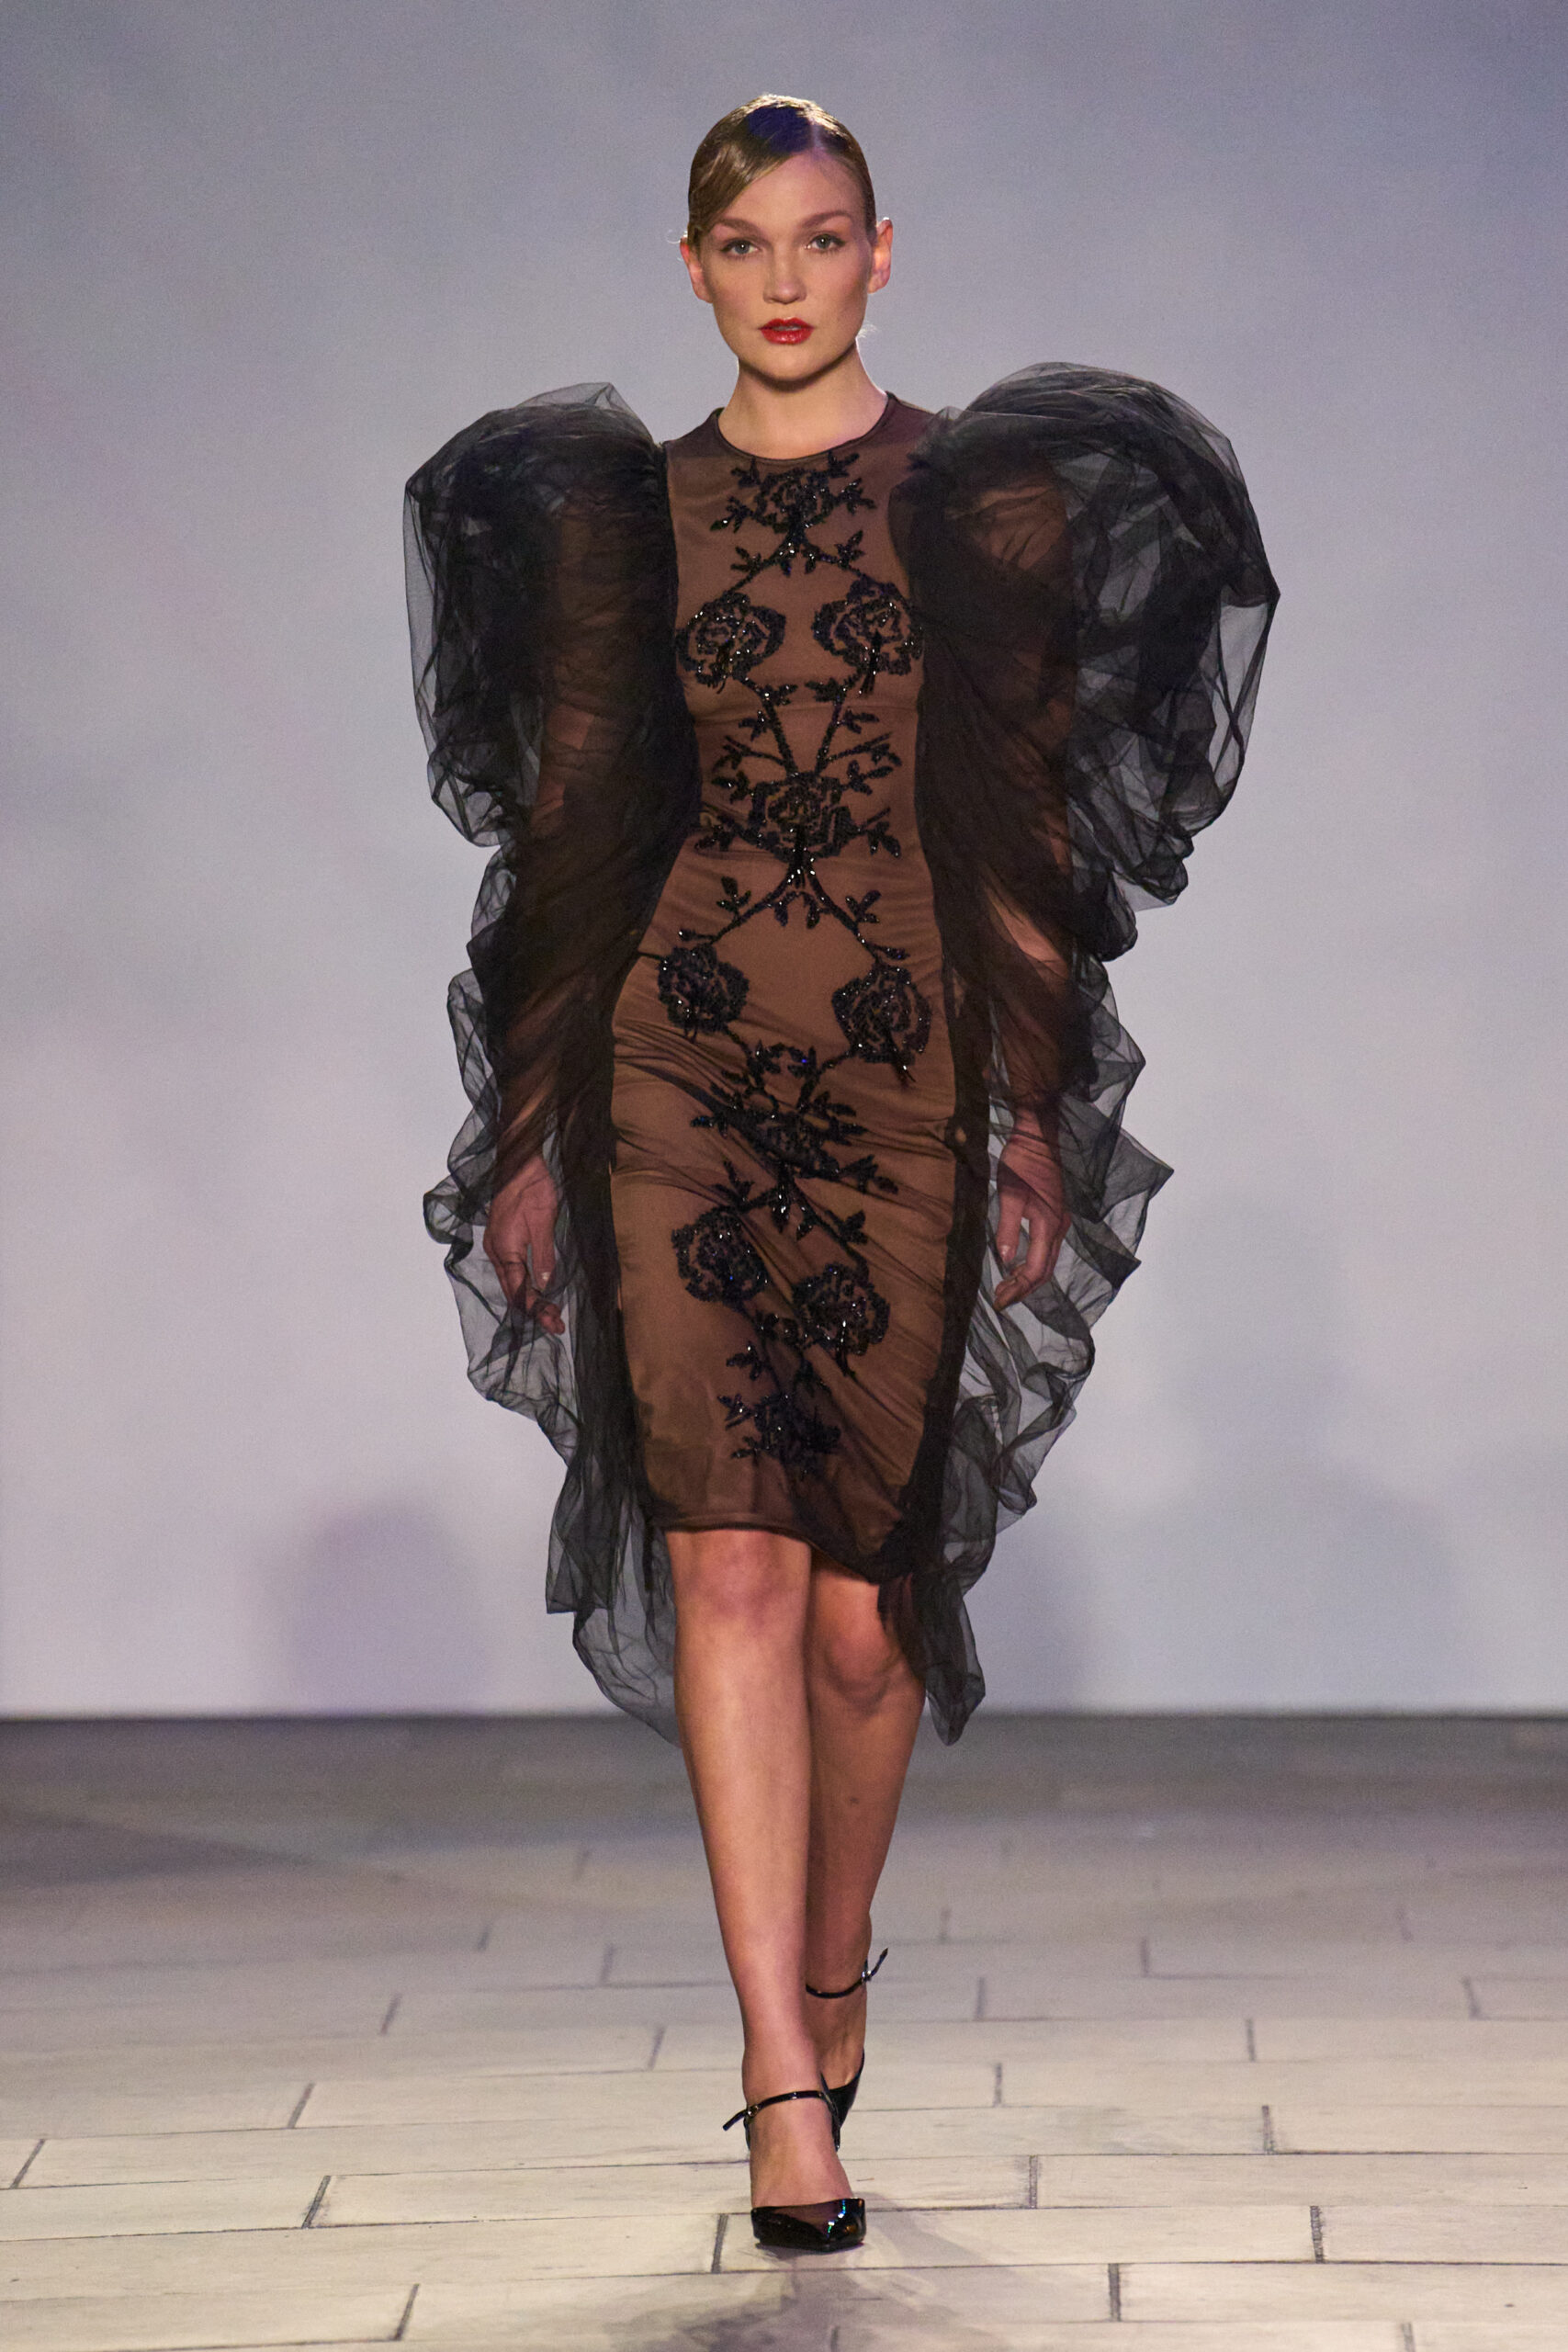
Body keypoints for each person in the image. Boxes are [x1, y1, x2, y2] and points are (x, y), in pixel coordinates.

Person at [405, 94, 1276, 2252]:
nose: (782, 280)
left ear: (882, 254)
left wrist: (1036, 1108)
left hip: (901, 1073)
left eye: (820, 239)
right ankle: (779, 2080)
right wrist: (525, 1123)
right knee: (729, 1565)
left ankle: (829, 1956)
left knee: (870, 1625)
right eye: (743, 243)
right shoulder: (622, 520)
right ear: (690, 266)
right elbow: (573, 832)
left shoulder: (981, 503)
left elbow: (1023, 837)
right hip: (675, 1061)